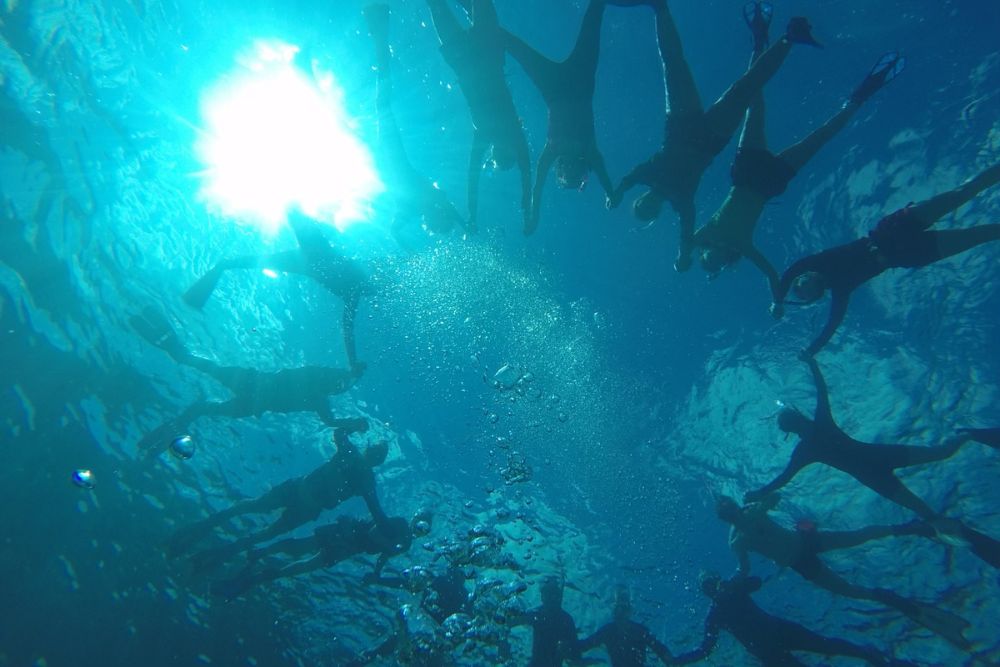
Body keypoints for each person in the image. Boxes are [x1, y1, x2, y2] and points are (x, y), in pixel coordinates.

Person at [688, 5, 904, 290]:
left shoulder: (707, 234)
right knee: (818, 135)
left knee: (754, 102)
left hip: (746, 174)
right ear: (722, 263)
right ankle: (862, 93)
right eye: (711, 264)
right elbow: (771, 274)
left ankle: (762, 40)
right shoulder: (742, 247)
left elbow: (686, 239)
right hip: (767, 183)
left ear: (703, 252)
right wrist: (778, 301)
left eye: (704, 259)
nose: (708, 259)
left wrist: (682, 257)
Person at [608, 0, 821, 271]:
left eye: (640, 206)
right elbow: (687, 231)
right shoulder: (681, 201)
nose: (647, 206)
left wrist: (616, 194)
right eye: (648, 212)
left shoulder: (647, 175)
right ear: (657, 213)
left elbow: (628, 179)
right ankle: (789, 38)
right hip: (709, 140)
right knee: (746, 88)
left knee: (673, 64)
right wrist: (683, 256)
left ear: (640, 198)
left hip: (680, 126)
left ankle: (660, 8)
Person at [746, 355, 1000, 570]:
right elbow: (785, 476)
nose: (796, 422)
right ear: (794, 423)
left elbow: (784, 477)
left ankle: (967, 436)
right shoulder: (809, 442)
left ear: (791, 427)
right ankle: (964, 533)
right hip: (876, 467)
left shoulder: (810, 441)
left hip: (875, 467)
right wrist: (811, 363)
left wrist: (760, 492)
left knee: (938, 460)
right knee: (927, 503)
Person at [771, 158, 1000, 356]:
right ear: (815, 296)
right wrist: (811, 351)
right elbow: (832, 324)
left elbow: (792, 270)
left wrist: (778, 300)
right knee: (976, 236)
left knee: (962, 193)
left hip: (892, 229)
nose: (802, 283)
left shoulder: (816, 262)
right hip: (907, 255)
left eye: (799, 283)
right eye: (804, 291)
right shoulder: (841, 289)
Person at [714, 494, 972, 650]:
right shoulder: (737, 540)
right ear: (725, 517)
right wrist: (733, 582)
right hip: (799, 561)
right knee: (846, 589)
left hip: (806, 542)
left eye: (731, 505)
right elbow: (744, 568)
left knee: (858, 537)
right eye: (727, 509)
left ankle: (908, 528)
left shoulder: (753, 511)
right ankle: (886, 596)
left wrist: (761, 495)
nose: (732, 510)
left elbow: (775, 498)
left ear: (735, 505)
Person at [501, 0, 646, 234]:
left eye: (564, 176)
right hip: (579, 84)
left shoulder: (551, 152)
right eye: (572, 176)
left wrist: (534, 216)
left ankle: (475, 12)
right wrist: (610, 195)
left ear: (559, 172)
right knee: (594, 17)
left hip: (554, 89)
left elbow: (538, 188)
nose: (567, 171)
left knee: (514, 46)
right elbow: (604, 179)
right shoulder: (589, 152)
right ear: (580, 172)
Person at [130, 308, 360, 454]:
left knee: (206, 402)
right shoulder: (315, 378)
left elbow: (330, 420)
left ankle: (179, 422)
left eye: (339, 388)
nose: (336, 387)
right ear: (332, 376)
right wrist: (353, 375)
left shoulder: (320, 399)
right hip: (252, 384)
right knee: (195, 363)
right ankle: (171, 345)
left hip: (253, 400)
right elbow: (329, 410)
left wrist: (352, 423)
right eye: (338, 383)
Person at [181, 207, 369, 372]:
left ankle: (213, 276)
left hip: (305, 260)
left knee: (236, 262)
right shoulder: (352, 292)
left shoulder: (352, 293)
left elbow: (347, 329)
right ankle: (216, 273)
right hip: (309, 257)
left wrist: (352, 363)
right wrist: (352, 363)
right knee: (239, 261)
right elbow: (347, 329)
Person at [167, 423, 388, 563]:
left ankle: (222, 550)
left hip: (304, 502)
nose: (373, 455)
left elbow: (376, 509)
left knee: (264, 526)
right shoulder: (353, 458)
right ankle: (209, 536)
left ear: (376, 459)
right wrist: (354, 426)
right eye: (375, 450)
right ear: (369, 450)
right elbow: (339, 432)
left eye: (377, 454)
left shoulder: (364, 477)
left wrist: (386, 530)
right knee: (255, 512)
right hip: (298, 492)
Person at [424, 0, 532, 233]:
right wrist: (527, 205)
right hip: (469, 57)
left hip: (477, 55)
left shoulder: (494, 134)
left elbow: (475, 180)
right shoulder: (503, 134)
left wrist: (473, 215)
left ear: (497, 152)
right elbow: (523, 168)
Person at [364, 3, 467, 241]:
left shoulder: (412, 210)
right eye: (438, 219)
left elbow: (394, 230)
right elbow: (447, 207)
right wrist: (464, 225)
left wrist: (409, 252)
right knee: (382, 106)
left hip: (375, 157)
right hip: (388, 150)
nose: (432, 218)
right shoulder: (429, 197)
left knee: (380, 106)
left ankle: (381, 44)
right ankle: (381, 42)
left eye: (433, 223)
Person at [674, 572, 914, 667]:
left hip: (780, 631)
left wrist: (738, 582)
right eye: (709, 587)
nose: (714, 588)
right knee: (824, 647)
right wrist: (678, 661)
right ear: (707, 593)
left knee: (826, 645)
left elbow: (757, 582)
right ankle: (869, 655)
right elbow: (705, 649)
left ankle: (869, 654)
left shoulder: (735, 591)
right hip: (768, 652)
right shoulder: (714, 615)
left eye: (714, 582)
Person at [210, 511, 428, 599]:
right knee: (301, 546)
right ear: (415, 518)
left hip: (349, 548)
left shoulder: (405, 544)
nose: (419, 528)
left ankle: (257, 577)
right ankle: (261, 552)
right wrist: (388, 547)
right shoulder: (399, 524)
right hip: (346, 532)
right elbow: (374, 532)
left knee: (306, 565)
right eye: (420, 522)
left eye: (424, 528)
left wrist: (376, 573)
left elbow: (383, 556)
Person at [577, 586, 673, 666]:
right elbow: (583, 646)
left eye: (623, 608)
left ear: (629, 611)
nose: (620, 612)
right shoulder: (609, 631)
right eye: (619, 608)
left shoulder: (638, 631)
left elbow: (662, 651)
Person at [509, 576, 583, 666]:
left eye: (554, 595)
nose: (551, 599)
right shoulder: (537, 614)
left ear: (559, 597)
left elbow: (576, 655)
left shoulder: (565, 620)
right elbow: (511, 622)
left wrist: (566, 650)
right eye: (548, 595)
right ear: (542, 597)